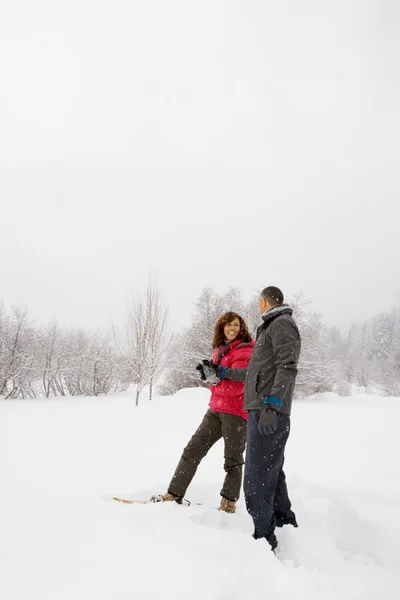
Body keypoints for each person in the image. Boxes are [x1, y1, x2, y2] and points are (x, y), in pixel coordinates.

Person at [216, 287, 301, 550]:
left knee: (255, 479)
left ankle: (264, 540)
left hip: (268, 412)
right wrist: (222, 372)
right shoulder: (270, 327)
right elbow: (255, 373)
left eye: (258, 302)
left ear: (264, 302)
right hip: (261, 409)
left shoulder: (281, 324)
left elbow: (288, 365)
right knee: (271, 472)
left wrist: (273, 405)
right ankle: (285, 525)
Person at [152, 312, 254, 513]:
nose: (232, 328)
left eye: (236, 325)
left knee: (232, 460)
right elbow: (219, 384)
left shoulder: (244, 352)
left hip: (235, 413)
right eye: (228, 325)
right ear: (221, 328)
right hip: (215, 410)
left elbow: (239, 387)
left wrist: (217, 380)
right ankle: (174, 494)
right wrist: (210, 378)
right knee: (192, 450)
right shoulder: (220, 351)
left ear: (241, 328)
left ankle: (228, 503)